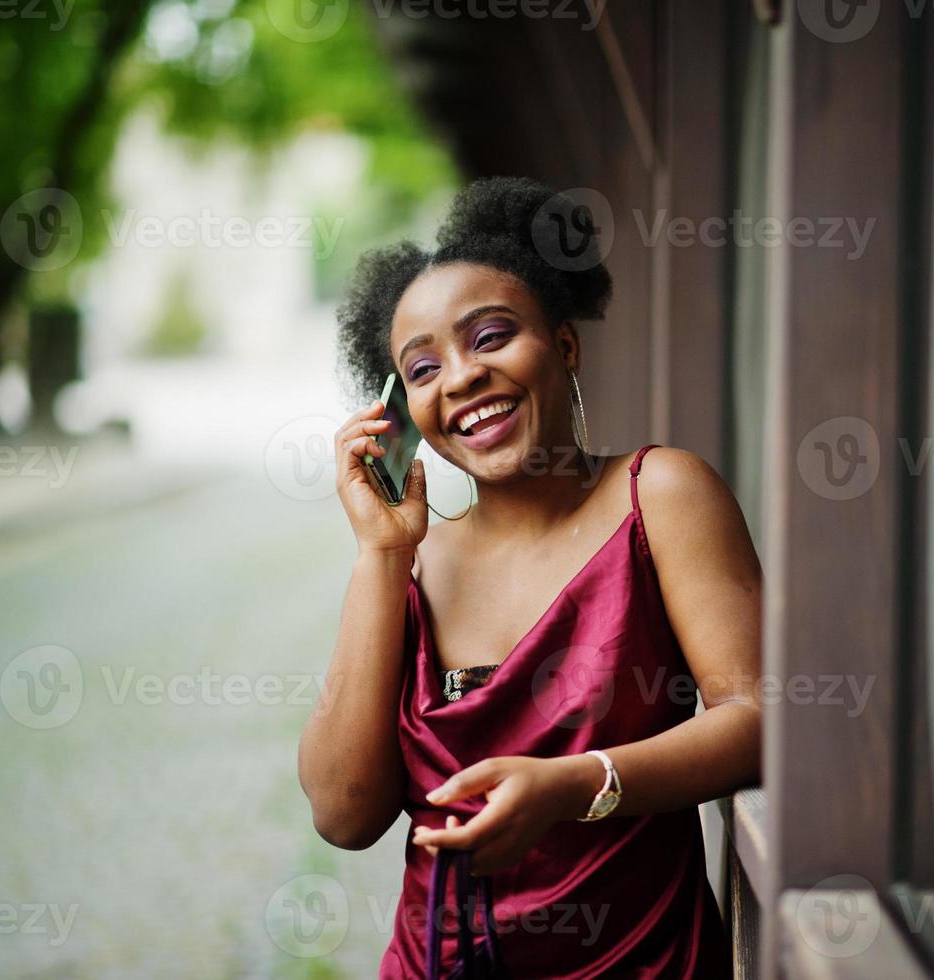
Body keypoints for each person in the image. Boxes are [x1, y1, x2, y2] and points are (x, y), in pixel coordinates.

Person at [297, 177, 761, 977]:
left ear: (565, 343)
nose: (462, 378)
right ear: (400, 410)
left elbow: (761, 716)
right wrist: (380, 553)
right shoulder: (409, 566)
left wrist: (572, 785)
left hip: (639, 963)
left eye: (491, 336)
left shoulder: (660, 496)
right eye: (422, 369)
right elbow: (343, 814)